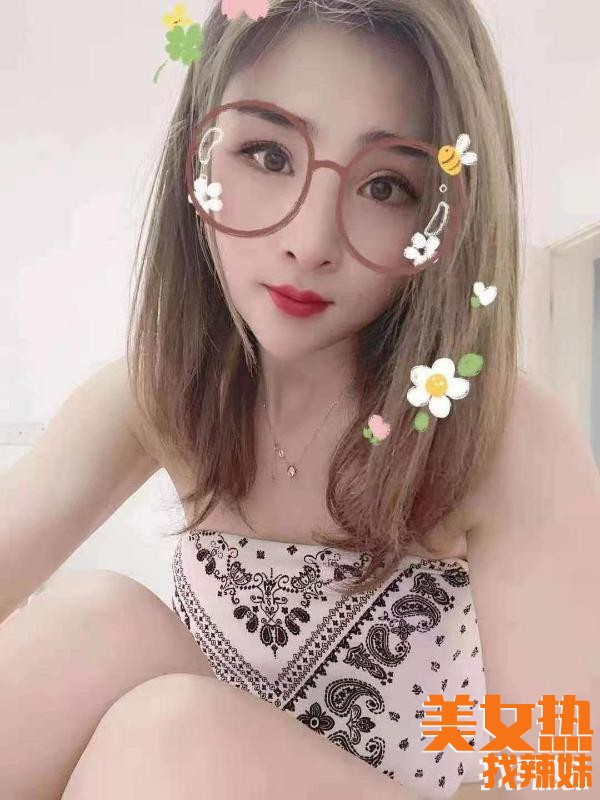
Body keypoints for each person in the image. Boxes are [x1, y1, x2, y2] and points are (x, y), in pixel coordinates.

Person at [1, 1, 599, 799]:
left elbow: (554, 772)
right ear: (196, 157)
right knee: (96, 624)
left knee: (173, 737)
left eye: (385, 186)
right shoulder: (160, 394)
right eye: (268, 154)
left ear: (445, 216)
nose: (310, 242)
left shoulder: (505, 435)